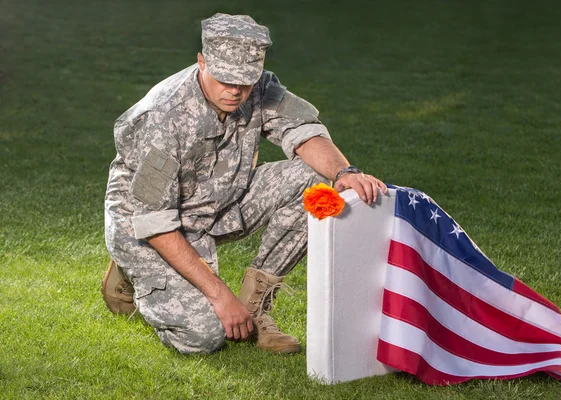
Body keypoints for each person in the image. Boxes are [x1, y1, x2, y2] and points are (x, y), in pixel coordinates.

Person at [102, 13, 386, 355]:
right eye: (225, 78)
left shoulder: (259, 87)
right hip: (147, 227)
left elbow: (303, 130)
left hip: (215, 203)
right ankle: (130, 269)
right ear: (202, 62)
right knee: (203, 338)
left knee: (314, 181)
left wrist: (344, 172)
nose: (236, 90)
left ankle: (254, 306)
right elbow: (155, 222)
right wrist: (221, 297)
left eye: (246, 80)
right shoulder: (162, 118)